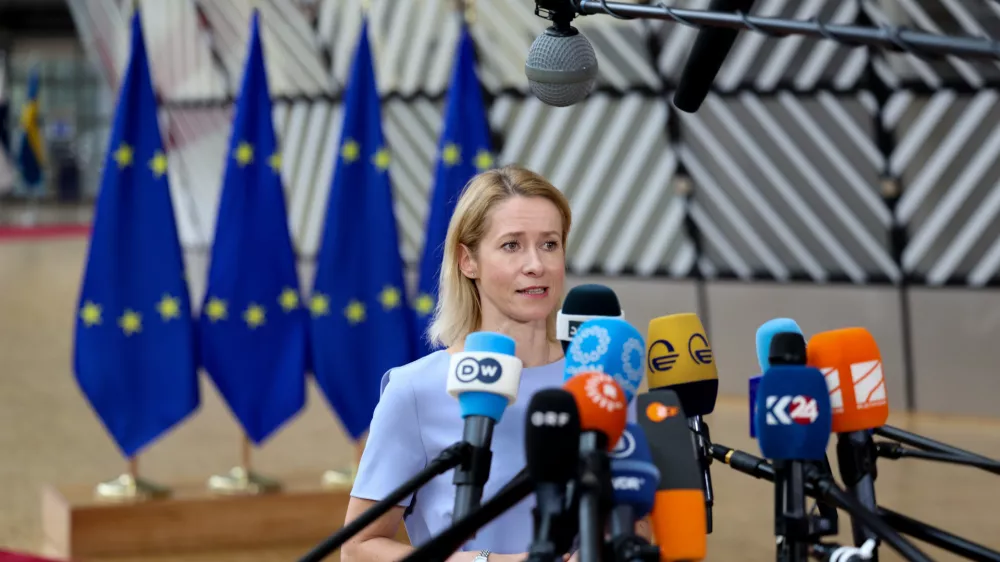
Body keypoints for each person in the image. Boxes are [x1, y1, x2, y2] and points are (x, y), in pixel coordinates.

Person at [342, 165, 647, 562]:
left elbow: (640, 521)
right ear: (468, 261)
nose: (535, 264)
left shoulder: (602, 382)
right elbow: (358, 548)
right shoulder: (416, 390)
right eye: (511, 245)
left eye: (550, 244)